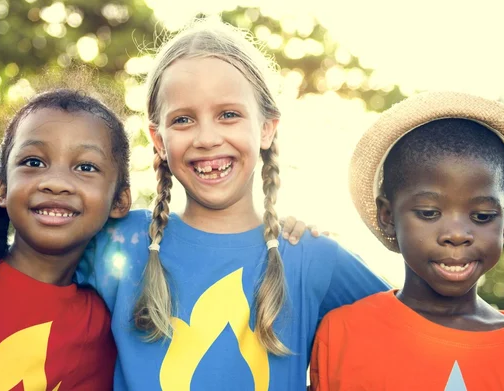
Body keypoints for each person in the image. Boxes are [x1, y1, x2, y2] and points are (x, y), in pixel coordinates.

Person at [80, 19, 388, 390]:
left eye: (228, 114)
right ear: (158, 139)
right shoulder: (118, 243)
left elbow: (417, 331)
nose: (207, 138)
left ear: (266, 128)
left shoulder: (309, 255)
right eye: (183, 119)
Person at [310, 91, 504, 390]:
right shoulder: (342, 332)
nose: (456, 235)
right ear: (388, 215)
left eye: (481, 216)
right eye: (429, 213)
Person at [0, 87, 132, 390]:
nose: (56, 183)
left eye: (86, 167)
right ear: (2, 189)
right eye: (34, 162)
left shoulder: (96, 329)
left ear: (119, 201)